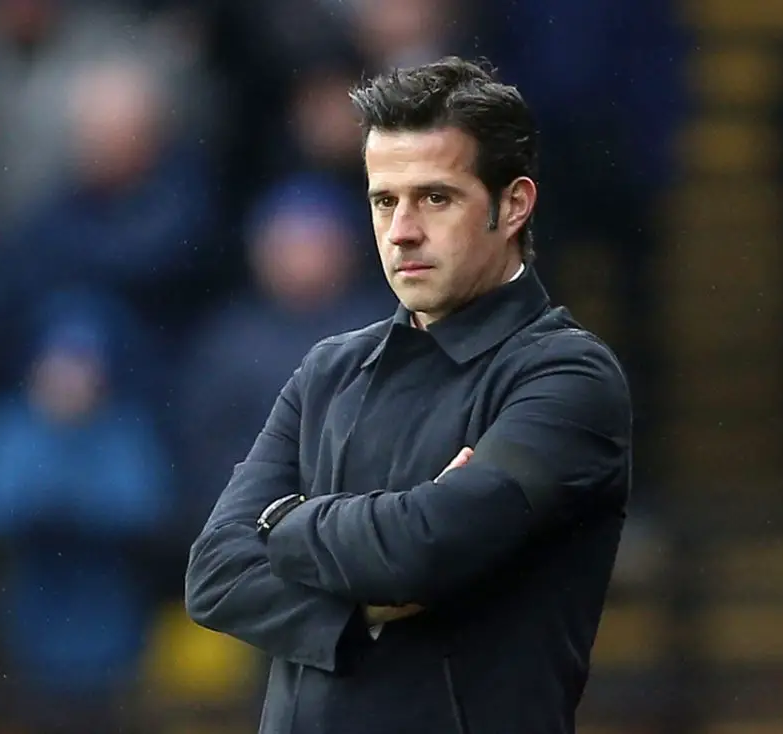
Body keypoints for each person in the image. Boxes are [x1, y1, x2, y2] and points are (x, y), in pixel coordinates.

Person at [184, 56, 632, 734]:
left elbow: (422, 548)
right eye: (384, 201)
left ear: (514, 205)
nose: (402, 231)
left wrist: (283, 522)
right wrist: (360, 607)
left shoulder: (567, 376)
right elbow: (215, 575)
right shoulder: (329, 370)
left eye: (436, 198)